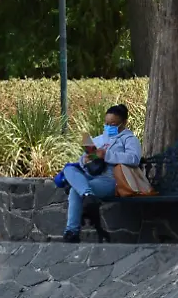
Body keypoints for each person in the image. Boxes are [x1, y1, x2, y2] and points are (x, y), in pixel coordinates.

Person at [55, 104, 142, 243]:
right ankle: (88, 194)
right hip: (91, 174)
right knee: (68, 169)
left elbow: (134, 159)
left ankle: (72, 231)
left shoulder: (129, 139)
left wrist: (106, 155)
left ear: (123, 122)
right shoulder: (100, 139)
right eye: (106, 123)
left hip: (111, 178)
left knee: (74, 191)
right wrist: (86, 159)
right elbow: (83, 160)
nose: (108, 127)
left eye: (112, 124)